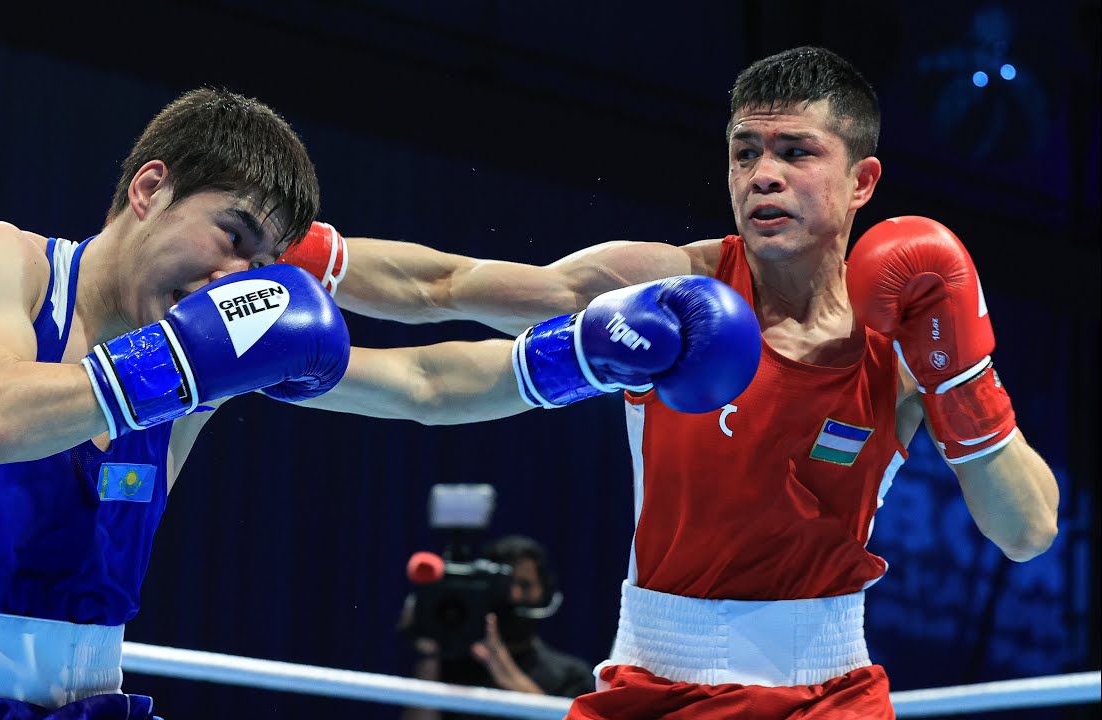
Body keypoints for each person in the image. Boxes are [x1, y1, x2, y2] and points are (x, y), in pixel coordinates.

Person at [282, 46, 1060, 718]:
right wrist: (294, 253)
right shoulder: (671, 288)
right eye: (744, 151)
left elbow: (1026, 534)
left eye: (795, 152)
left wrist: (963, 374)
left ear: (862, 180)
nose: (763, 175)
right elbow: (451, 285)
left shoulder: (902, 344)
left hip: (828, 694)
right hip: (653, 680)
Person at [0, 87, 352, 720]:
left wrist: (519, 368)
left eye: (262, 263)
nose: (238, 281)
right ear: (150, 189)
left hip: (97, 704)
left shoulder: (203, 368)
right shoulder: (2, 260)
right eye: (231, 235)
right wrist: (173, 362)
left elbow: (419, 382)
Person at [400, 535, 596, 720]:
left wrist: (500, 664)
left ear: (544, 591)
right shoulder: (448, 667)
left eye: (525, 585)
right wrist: (429, 656)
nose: (515, 595)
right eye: (505, 586)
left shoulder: (571, 676)